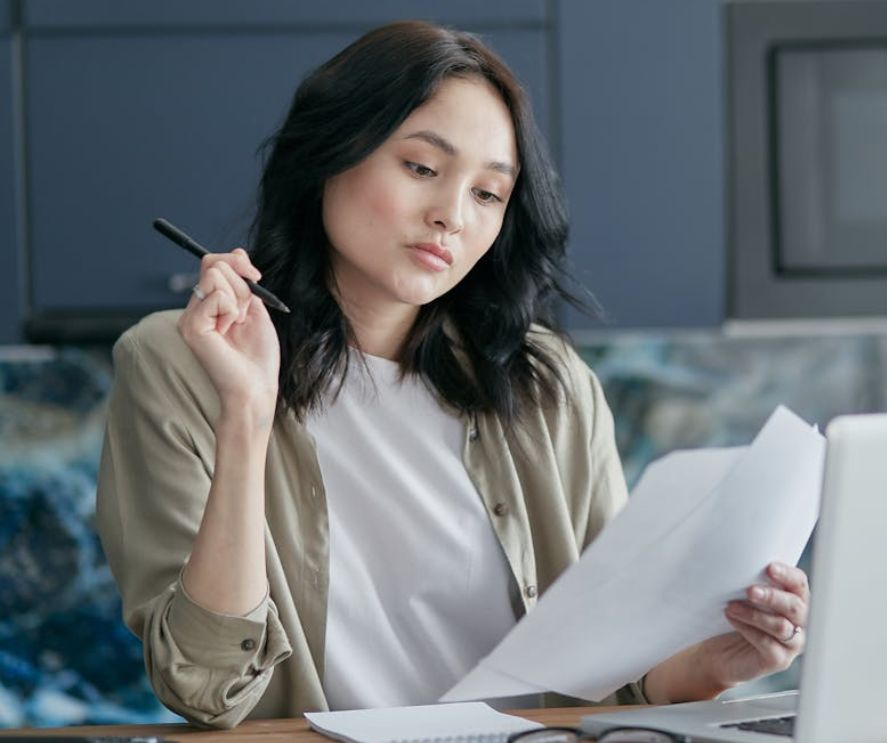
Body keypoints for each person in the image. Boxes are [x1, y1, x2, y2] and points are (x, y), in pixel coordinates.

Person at [95, 20, 810, 729]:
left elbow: (613, 680)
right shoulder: (177, 361)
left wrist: (713, 663)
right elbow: (204, 686)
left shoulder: (549, 384)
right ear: (326, 156)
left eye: (488, 194)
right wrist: (246, 414)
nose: (450, 217)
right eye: (421, 168)